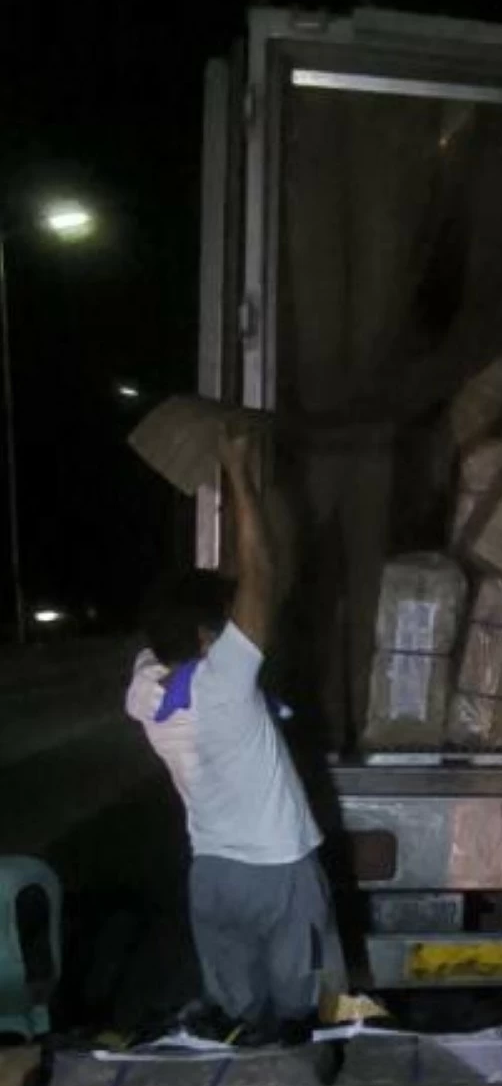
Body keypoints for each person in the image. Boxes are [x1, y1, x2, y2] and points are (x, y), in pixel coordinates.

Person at [126, 431, 341, 1041]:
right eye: (220, 628)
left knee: (237, 1023)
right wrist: (238, 472)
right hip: (276, 873)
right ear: (204, 639)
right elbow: (260, 577)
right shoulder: (225, 682)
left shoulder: (145, 690)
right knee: (306, 1018)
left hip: (212, 876)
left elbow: (170, 632)